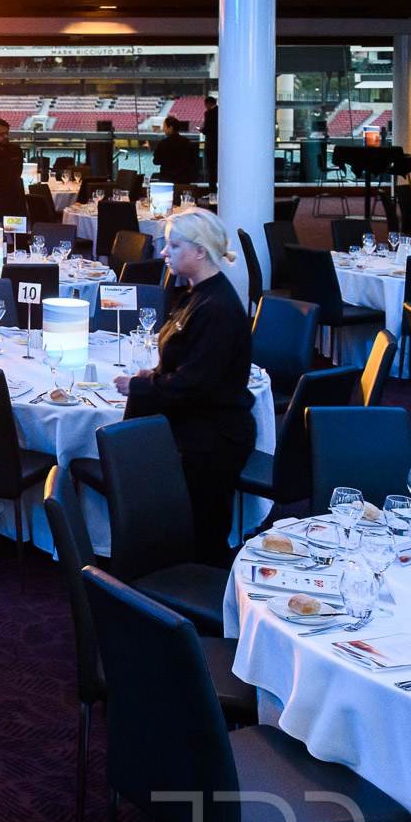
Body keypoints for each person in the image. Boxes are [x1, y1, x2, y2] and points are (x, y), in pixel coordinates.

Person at [113, 210, 253, 566]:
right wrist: (157, 373)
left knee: (204, 535)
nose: (164, 252)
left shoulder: (216, 307)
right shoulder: (199, 294)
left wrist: (139, 386)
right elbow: (191, 364)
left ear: (200, 251)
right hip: (197, 428)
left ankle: (204, 594)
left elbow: (195, 385)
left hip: (212, 439)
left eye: (174, 246)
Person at [151, 116, 199, 184]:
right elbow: (192, 160)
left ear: (170, 128)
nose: (163, 129)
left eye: (164, 126)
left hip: (167, 179)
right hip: (184, 179)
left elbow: (156, 161)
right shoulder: (186, 141)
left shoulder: (163, 143)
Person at [201, 96, 219, 188]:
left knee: (211, 168)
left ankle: (212, 190)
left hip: (211, 145)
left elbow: (207, 130)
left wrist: (202, 130)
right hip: (220, 144)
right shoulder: (221, 111)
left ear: (208, 104)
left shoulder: (209, 113)